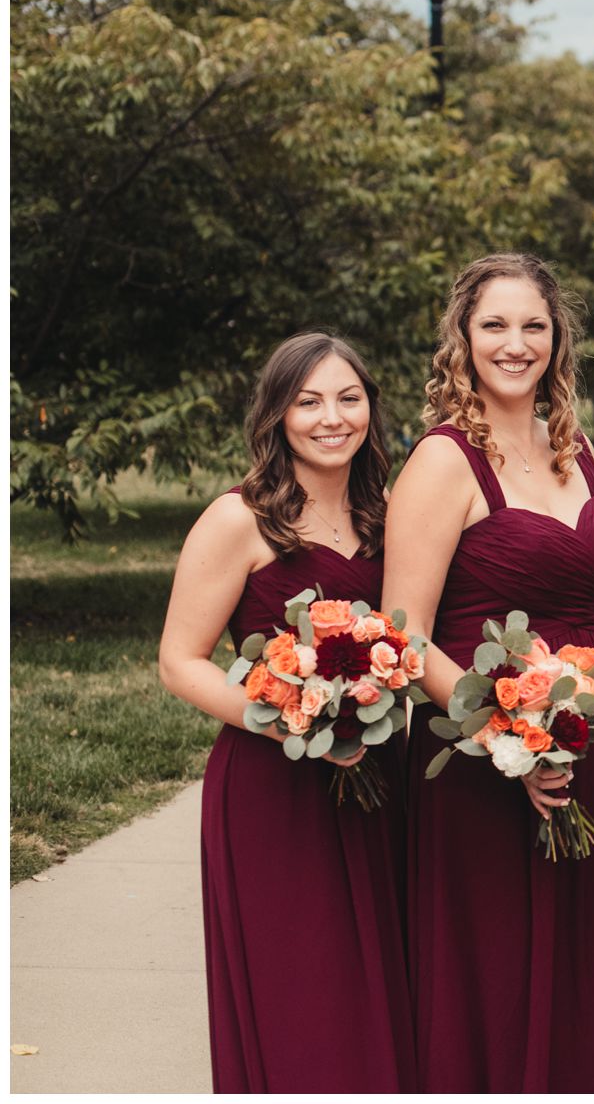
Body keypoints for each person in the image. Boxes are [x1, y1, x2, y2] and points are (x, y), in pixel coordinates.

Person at [385, 253, 594, 1091]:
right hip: (479, 764)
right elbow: (403, 633)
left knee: (581, 964)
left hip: (592, 754)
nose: (515, 343)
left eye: (533, 325)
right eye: (494, 325)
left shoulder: (574, 450)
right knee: (500, 973)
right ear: (462, 338)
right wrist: (507, 738)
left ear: (557, 336)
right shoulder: (442, 460)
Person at [159, 331, 415, 1091]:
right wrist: (291, 721)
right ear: (277, 414)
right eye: (309, 402)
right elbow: (178, 661)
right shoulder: (240, 519)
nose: (332, 418)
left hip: (380, 778)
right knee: (301, 992)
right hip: (273, 789)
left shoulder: (390, 513)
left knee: (380, 980)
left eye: (349, 397)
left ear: (371, 405)